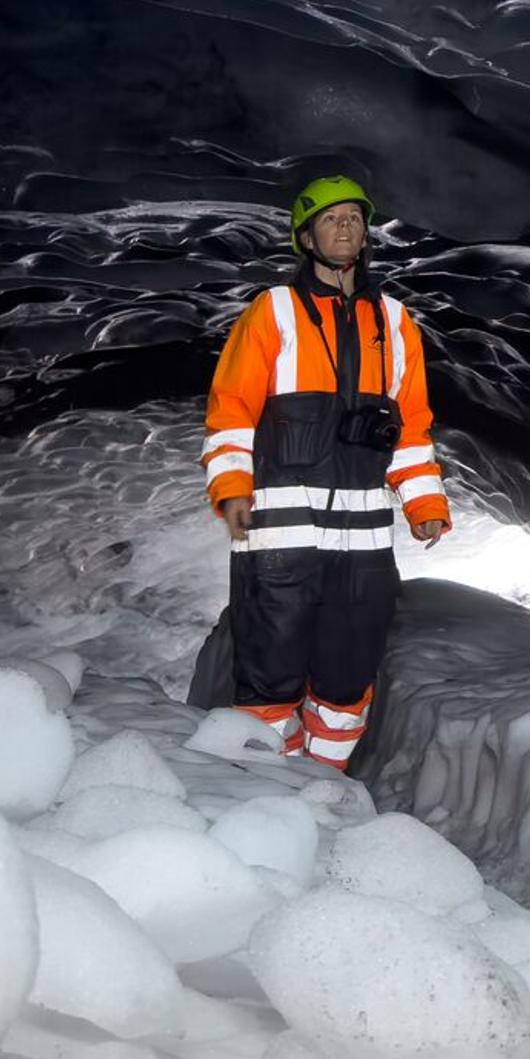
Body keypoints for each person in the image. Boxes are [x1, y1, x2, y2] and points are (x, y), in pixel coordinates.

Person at [201, 172, 450, 765]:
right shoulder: (274, 311)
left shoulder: (394, 321)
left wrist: (425, 505)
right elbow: (232, 408)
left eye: (355, 219)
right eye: (331, 219)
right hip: (280, 538)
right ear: (306, 238)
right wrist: (232, 487)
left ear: (366, 237)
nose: (346, 228)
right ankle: (266, 790)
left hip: (362, 548)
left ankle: (322, 790)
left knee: (346, 678)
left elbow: (411, 427)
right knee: (270, 674)